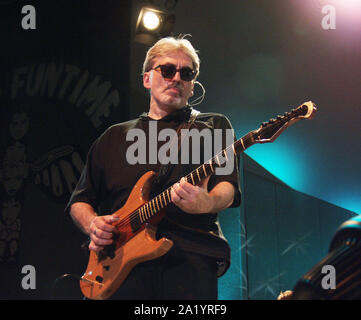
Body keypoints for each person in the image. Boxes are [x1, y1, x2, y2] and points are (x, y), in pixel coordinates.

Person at [66, 35, 241, 300]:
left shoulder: (212, 126)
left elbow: (227, 186)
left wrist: (206, 202)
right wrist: (93, 224)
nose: (177, 78)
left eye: (186, 73)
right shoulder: (114, 137)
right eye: (168, 70)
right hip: (118, 265)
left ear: (192, 86)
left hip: (190, 259)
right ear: (147, 78)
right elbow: (80, 200)